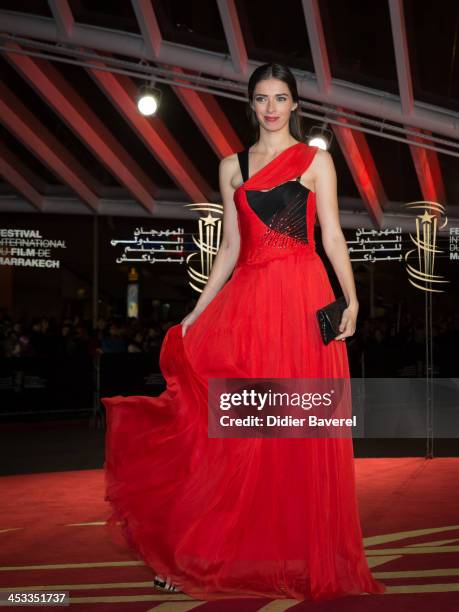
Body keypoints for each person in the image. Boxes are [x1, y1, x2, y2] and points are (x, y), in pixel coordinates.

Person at [102, 62, 386, 602]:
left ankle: (297, 555)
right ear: (251, 104)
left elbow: (331, 237)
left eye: (281, 98)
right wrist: (196, 312)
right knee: (227, 433)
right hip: (250, 305)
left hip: (304, 303)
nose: (273, 107)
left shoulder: (316, 161)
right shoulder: (230, 165)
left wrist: (351, 298)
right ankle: (184, 550)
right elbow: (230, 248)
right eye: (262, 98)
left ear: (296, 104)